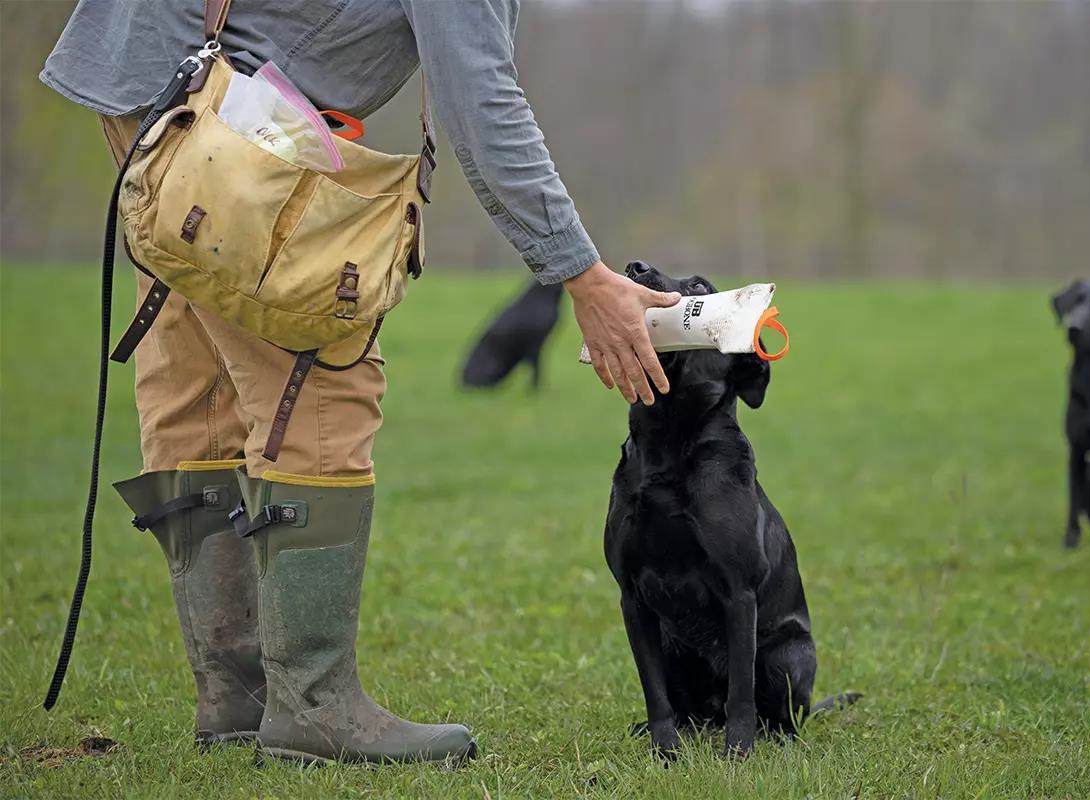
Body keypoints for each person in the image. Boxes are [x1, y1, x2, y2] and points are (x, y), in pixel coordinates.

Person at [41, 0, 680, 766]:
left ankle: (235, 695)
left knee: (198, 384)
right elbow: (481, 104)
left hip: (154, 79)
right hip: (207, 101)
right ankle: (312, 707)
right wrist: (581, 275)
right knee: (324, 376)